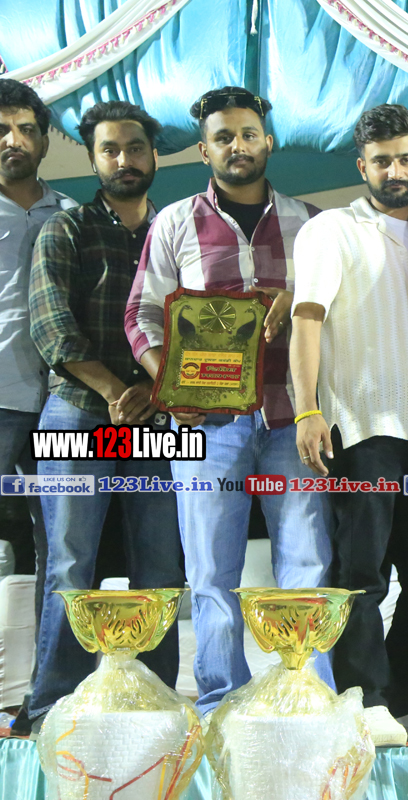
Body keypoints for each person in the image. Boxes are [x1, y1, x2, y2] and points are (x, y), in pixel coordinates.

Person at [125, 86, 333, 714]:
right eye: (222, 138)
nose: (236, 146)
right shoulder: (173, 222)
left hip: (292, 417)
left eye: (247, 134)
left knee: (306, 564)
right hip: (205, 426)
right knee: (211, 573)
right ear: (203, 150)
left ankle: (308, 700)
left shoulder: (311, 223)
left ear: (268, 140)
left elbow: (334, 316)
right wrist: (170, 390)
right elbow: (141, 317)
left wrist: (297, 298)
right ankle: (220, 703)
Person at [290, 104, 408, 746]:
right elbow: (307, 319)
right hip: (360, 428)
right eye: (381, 161)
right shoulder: (331, 229)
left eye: (405, 158)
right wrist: (307, 409)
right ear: (362, 166)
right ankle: (362, 697)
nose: (394, 171)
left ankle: (405, 694)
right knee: (362, 573)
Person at [26, 101, 185, 729]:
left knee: (161, 566)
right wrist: (121, 392)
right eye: (110, 150)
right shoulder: (65, 229)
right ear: (93, 160)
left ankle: (157, 702)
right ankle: (51, 707)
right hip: (77, 415)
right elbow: (52, 329)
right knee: (71, 564)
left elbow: (195, 328)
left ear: (154, 154)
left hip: (157, 422)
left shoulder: (174, 233)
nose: (124, 160)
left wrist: (154, 392)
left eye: (135, 147)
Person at [0, 78, 74, 625]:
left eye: (26, 129)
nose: (14, 140)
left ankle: (49, 673)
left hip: (61, 401)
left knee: (62, 544)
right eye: (2, 129)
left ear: (45, 141)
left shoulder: (71, 213)